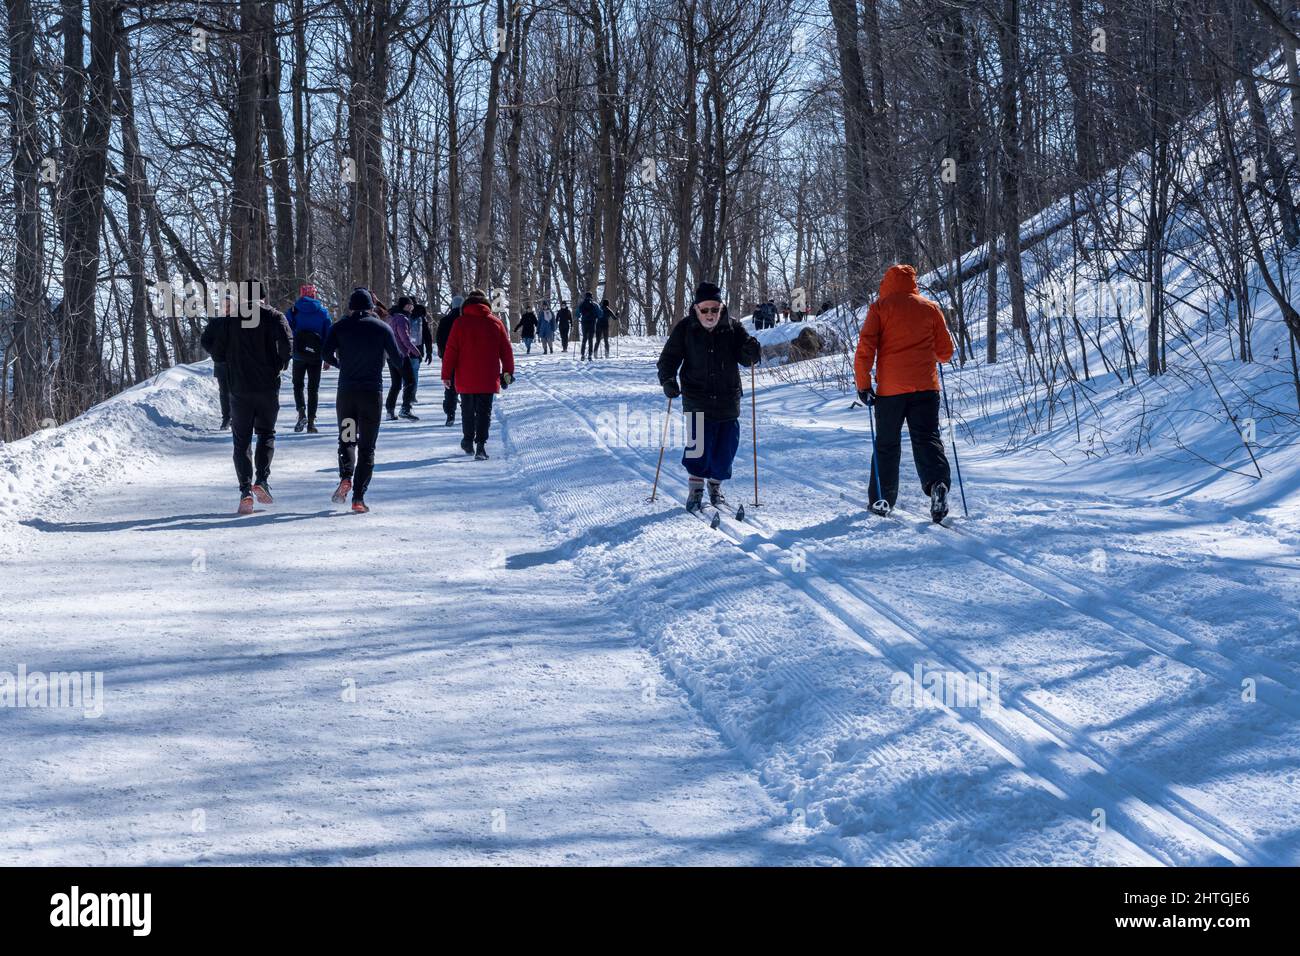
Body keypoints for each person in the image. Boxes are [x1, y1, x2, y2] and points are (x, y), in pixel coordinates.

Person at [853, 263, 955, 523]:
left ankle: (882, 498)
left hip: (891, 390)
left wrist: (863, 385)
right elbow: (946, 353)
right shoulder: (931, 308)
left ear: (886, 282)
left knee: (887, 444)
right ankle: (937, 485)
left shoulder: (880, 308)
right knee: (927, 438)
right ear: (913, 282)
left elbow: (866, 347)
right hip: (926, 387)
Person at [656, 281, 760, 514]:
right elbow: (668, 359)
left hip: (727, 400)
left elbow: (746, 357)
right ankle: (695, 490)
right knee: (698, 448)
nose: (710, 314)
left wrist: (752, 350)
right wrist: (668, 380)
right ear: (696, 309)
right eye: (705, 309)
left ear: (721, 308)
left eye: (715, 309)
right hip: (697, 399)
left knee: (725, 451)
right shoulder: (685, 328)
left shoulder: (733, 328)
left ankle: (715, 488)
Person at [205, 281, 292, 514]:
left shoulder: (230, 319)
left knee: (241, 440)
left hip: (239, 388)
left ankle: (245, 491)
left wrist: (232, 361)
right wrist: (279, 364)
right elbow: (287, 346)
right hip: (267, 387)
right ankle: (261, 481)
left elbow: (216, 352)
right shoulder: (274, 316)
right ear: (264, 297)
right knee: (265, 434)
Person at [322, 287, 403, 514]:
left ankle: (346, 476)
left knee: (347, 438)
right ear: (370, 307)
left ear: (350, 306)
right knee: (367, 448)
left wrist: (342, 365)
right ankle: (358, 497)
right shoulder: (382, 328)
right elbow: (398, 359)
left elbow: (325, 354)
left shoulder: (339, 327)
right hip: (371, 395)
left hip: (347, 394)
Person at [441, 288, 515, 460]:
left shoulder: (460, 323)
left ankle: (468, 441)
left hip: (465, 376)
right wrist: (507, 372)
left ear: (467, 305)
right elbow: (506, 350)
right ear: (486, 304)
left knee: (466, 409)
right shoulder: (495, 322)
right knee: (484, 411)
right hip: (488, 376)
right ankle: (481, 445)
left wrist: (446, 374)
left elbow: (450, 350)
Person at [285, 284, 332, 433]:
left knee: (298, 385)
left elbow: (286, 331)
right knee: (313, 389)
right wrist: (327, 357)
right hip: (316, 355)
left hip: (299, 354)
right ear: (314, 295)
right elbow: (328, 335)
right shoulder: (323, 312)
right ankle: (311, 422)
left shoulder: (293, 311)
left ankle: (301, 413)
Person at [199, 298, 233, 430]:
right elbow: (205, 340)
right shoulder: (215, 323)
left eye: (230, 306)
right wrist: (214, 351)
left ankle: (238, 418)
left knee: (237, 391)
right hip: (221, 362)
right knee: (224, 392)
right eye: (225, 306)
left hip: (238, 363)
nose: (227, 309)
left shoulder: (239, 322)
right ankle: (226, 418)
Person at [385, 295, 420, 421]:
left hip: (390, 355)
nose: (412, 307)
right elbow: (404, 338)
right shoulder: (401, 319)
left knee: (396, 384)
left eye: (412, 305)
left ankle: (389, 411)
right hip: (400, 355)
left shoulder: (391, 317)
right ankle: (405, 409)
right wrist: (415, 351)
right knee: (410, 381)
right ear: (404, 306)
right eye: (410, 305)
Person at [435, 295, 463, 425]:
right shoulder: (465, 320)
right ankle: (467, 411)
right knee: (465, 385)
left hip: (448, 357)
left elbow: (439, 339)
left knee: (450, 386)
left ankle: (450, 413)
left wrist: (443, 354)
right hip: (464, 358)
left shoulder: (445, 320)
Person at [409, 301, 430, 403]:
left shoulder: (402, 316)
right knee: (414, 372)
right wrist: (429, 351)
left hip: (404, 350)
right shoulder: (421, 317)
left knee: (406, 374)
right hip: (417, 351)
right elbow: (427, 336)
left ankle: (407, 394)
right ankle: (412, 395)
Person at [577, 292, 601, 361]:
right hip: (592, 323)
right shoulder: (595, 304)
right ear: (591, 296)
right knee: (590, 339)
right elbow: (600, 314)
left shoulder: (582, 304)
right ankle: (590, 355)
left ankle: (582, 355)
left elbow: (577, 314)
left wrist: (578, 316)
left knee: (584, 338)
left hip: (584, 323)